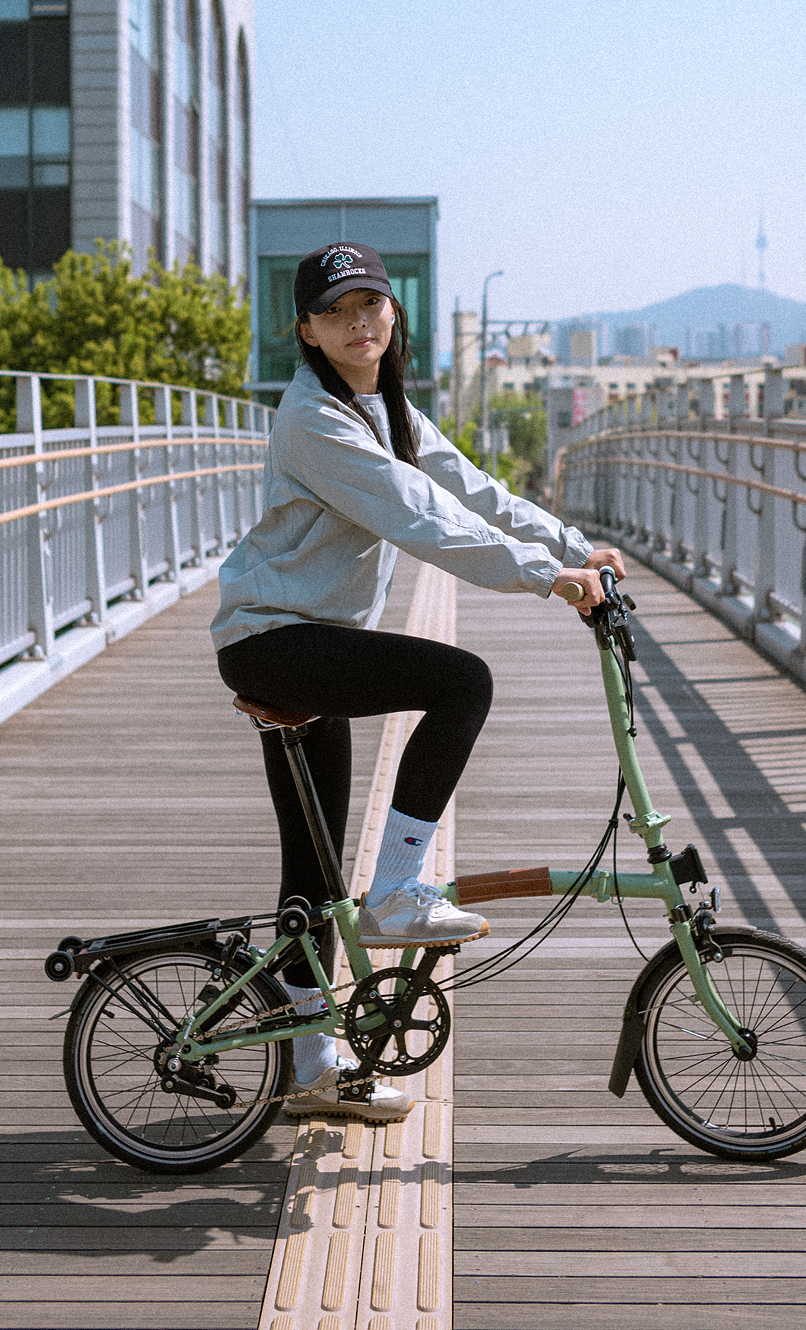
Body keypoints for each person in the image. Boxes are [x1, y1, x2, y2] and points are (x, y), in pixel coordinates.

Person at [212, 242, 625, 1120]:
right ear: (307, 332)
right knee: (460, 682)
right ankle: (398, 891)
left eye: (370, 303)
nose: (357, 322)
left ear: (392, 312)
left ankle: (311, 1067)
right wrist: (544, 578)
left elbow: (469, 489)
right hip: (275, 641)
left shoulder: (383, 407)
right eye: (334, 312)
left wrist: (569, 545)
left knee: (313, 873)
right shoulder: (315, 419)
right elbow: (419, 516)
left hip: (310, 640)